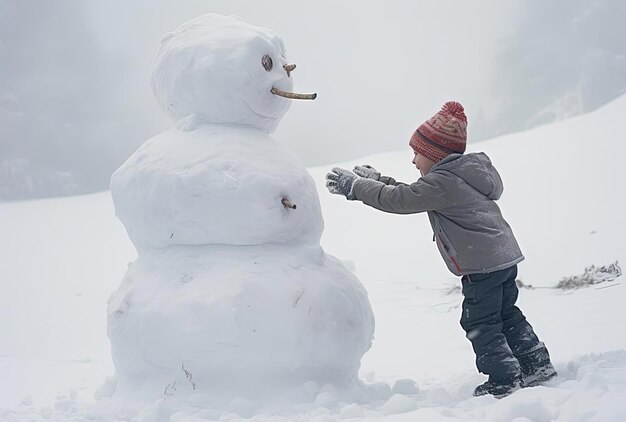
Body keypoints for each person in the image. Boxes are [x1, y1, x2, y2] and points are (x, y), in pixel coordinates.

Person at [325, 101, 556, 398]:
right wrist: (376, 180)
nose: (413, 161)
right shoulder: (460, 176)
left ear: (435, 155)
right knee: (506, 314)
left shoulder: (445, 183)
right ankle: (536, 364)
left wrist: (356, 187)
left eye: (417, 154)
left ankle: (504, 379)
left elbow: (401, 200)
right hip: (503, 259)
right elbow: (412, 193)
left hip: (481, 265)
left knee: (480, 322)